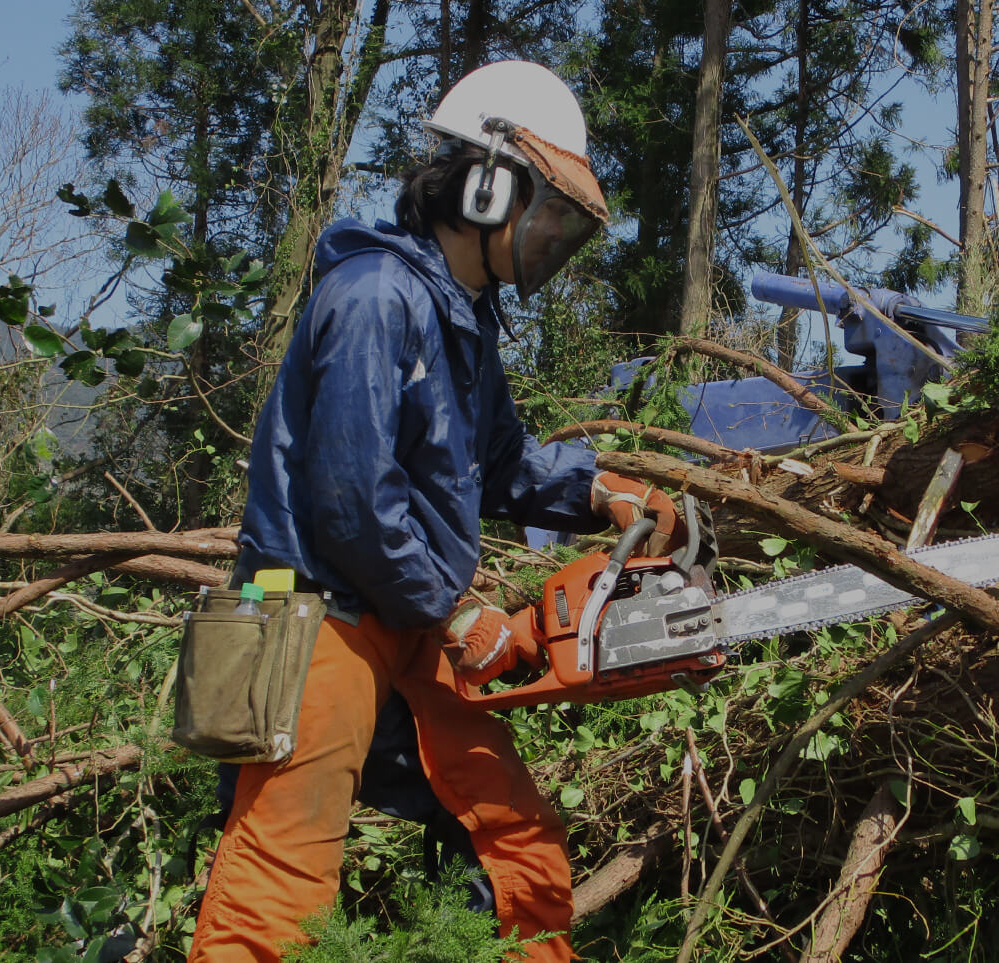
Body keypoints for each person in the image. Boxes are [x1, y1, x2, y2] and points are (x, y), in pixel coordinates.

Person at [188, 60, 685, 962]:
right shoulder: (375, 296)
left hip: (400, 621)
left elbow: (498, 462)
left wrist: (603, 492)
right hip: (316, 617)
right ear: (490, 183)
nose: (551, 241)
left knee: (506, 825)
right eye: (551, 212)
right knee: (279, 881)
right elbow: (348, 500)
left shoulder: (461, 319)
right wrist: (456, 607)